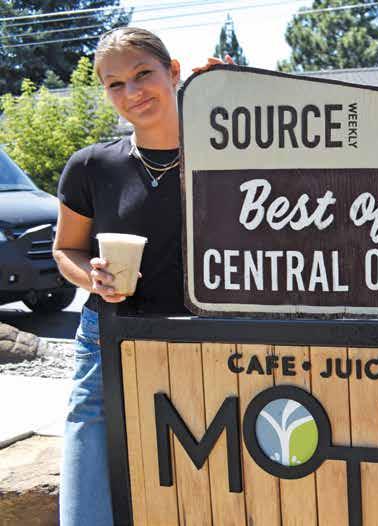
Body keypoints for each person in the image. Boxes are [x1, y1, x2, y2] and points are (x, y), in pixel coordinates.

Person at [52, 27, 188, 525]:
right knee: (88, 439)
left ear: (174, 73)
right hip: (107, 332)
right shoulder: (91, 166)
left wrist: (234, 92)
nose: (132, 92)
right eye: (115, 84)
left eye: (143, 73)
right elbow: (66, 248)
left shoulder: (224, 155)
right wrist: (92, 279)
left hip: (203, 334)